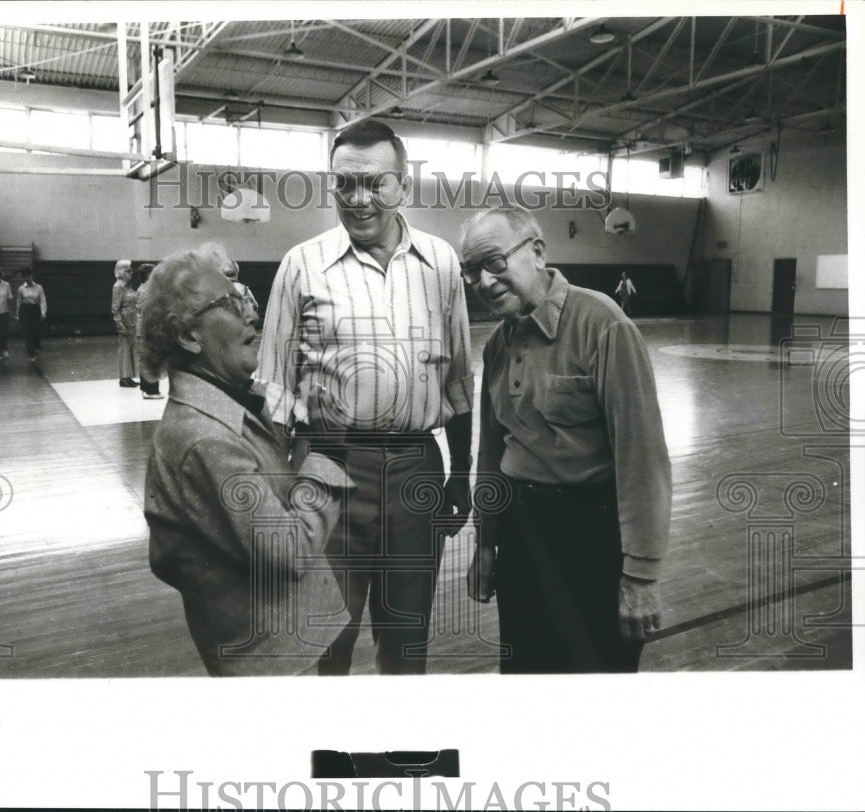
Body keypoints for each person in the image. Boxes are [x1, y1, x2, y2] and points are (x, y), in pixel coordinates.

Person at [255, 119, 474, 675]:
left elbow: (458, 382)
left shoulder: (443, 263)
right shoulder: (300, 265)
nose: (359, 199)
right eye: (344, 185)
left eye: (375, 183)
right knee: (328, 643)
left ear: (403, 185)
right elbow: (275, 392)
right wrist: (280, 493)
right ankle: (333, 758)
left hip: (416, 469)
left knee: (407, 641)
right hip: (326, 468)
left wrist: (460, 476)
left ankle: (402, 758)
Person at [462, 205, 671, 674]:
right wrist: (487, 541)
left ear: (536, 252)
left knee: (597, 679)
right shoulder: (498, 343)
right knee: (526, 673)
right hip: (523, 531)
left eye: (494, 262)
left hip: (593, 535)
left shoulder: (603, 324)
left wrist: (641, 575)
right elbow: (492, 454)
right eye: (471, 271)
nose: (483, 281)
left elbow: (643, 461)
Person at [141, 245, 353, 676]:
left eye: (246, 299)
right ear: (188, 336)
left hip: (274, 645)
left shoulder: (223, 409)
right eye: (231, 304)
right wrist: (329, 453)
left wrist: (307, 433)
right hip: (267, 659)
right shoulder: (203, 438)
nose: (252, 316)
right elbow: (289, 552)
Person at [134, 263, 163, 399]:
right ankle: (150, 390)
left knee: (148, 359)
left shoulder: (144, 289)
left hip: (146, 327)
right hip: (147, 328)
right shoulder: (146, 290)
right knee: (150, 359)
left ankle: (148, 389)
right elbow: (148, 311)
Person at [112, 259, 138, 387]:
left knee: (130, 350)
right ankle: (123, 377)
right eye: (128, 271)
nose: (131, 273)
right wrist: (120, 325)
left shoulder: (128, 286)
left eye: (131, 270)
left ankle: (129, 376)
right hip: (125, 323)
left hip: (132, 322)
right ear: (121, 272)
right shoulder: (118, 287)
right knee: (124, 350)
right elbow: (115, 308)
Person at [16, 267, 47, 362]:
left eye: (29, 276)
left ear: (31, 276)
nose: (27, 279)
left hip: (35, 310)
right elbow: (18, 302)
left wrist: (43, 312)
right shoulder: (21, 289)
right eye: (25, 277)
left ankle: (36, 346)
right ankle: (31, 353)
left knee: (36, 331)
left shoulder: (39, 287)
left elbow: (43, 300)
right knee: (27, 332)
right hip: (25, 310)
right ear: (23, 278)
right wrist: (18, 315)